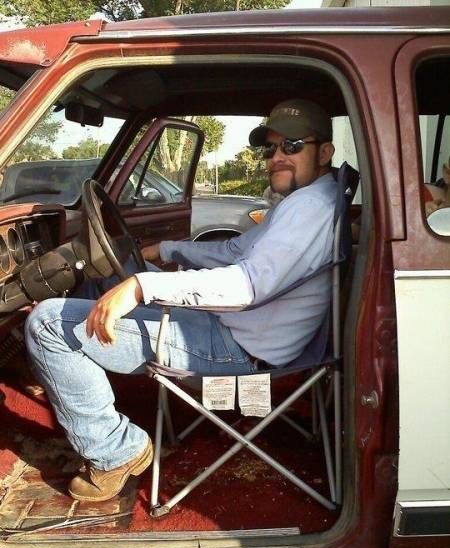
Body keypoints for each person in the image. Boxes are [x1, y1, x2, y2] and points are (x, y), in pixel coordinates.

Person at [25, 99, 336, 503]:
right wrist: (165, 252)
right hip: (232, 327)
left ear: (324, 151)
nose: (276, 157)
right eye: (271, 149)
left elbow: (245, 286)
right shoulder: (305, 200)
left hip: (237, 348)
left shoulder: (311, 208)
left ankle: (116, 451)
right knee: (101, 281)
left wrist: (141, 287)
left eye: (291, 146)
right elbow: (235, 252)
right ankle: (60, 376)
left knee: (47, 324)